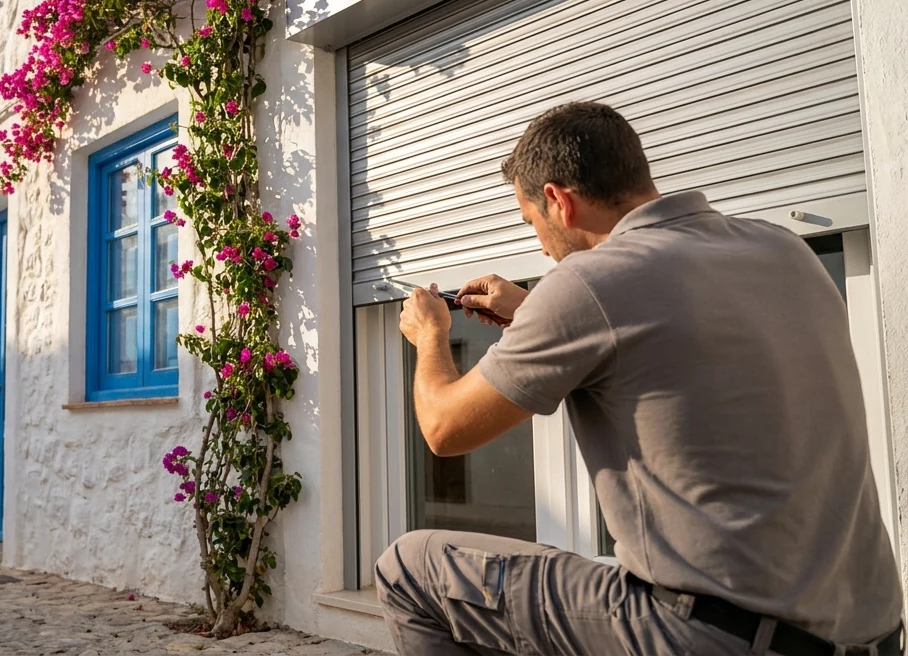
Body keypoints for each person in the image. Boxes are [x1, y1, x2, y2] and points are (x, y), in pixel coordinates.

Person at [379, 101, 903, 656]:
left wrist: (431, 336)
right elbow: (674, 334)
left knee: (409, 571)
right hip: (872, 634)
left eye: (531, 222)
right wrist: (535, 311)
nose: (538, 243)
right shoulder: (785, 249)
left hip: (705, 636)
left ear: (559, 201)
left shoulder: (588, 283)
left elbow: (443, 429)